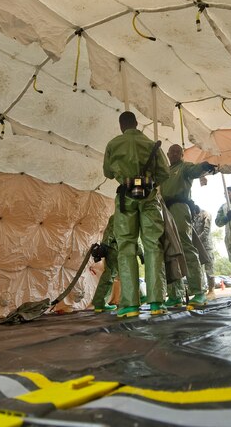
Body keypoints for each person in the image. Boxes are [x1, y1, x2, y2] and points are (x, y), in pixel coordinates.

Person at [102, 111, 169, 318]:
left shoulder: (114, 144)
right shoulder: (151, 144)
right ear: (137, 124)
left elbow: (107, 172)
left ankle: (130, 305)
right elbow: (165, 172)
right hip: (149, 196)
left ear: (122, 126)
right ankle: (157, 302)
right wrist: (150, 181)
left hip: (126, 198)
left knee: (126, 247)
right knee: (153, 247)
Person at [160, 144, 216, 308]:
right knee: (169, 250)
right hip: (165, 210)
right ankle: (175, 295)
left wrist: (204, 167)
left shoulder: (184, 167)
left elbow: (195, 170)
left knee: (186, 246)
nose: (175, 154)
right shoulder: (164, 172)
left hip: (179, 207)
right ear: (168, 154)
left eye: (178, 151)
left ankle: (198, 291)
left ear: (182, 154)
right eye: (172, 152)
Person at [90, 216, 118, 313]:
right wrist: (105, 244)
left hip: (114, 247)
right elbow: (111, 230)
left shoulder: (119, 214)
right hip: (116, 248)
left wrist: (105, 244)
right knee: (122, 273)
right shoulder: (122, 215)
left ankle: (99, 303)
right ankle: (100, 303)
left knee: (110, 274)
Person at [192, 204, 216, 298]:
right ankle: (202, 290)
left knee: (209, 269)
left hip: (206, 246)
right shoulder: (192, 216)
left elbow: (206, 231)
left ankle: (211, 290)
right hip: (197, 247)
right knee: (199, 270)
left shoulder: (206, 214)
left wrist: (196, 241)